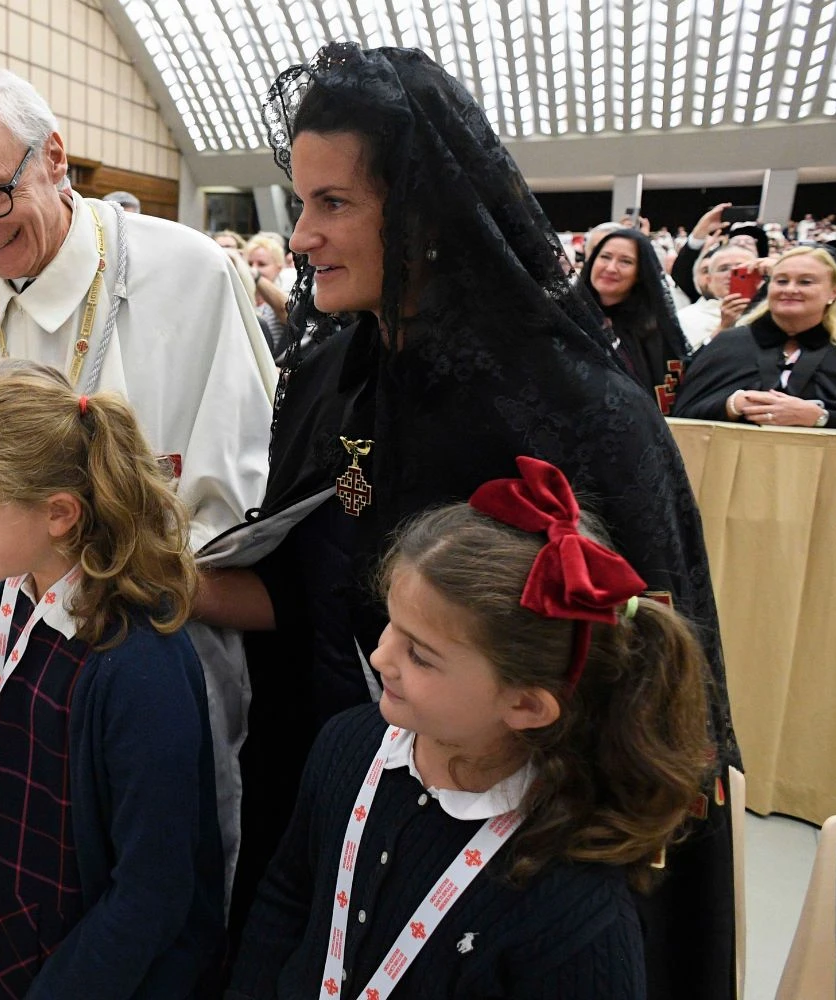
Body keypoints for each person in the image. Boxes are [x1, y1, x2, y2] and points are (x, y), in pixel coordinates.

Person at [198, 44, 736, 999]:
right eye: (300, 202)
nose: (304, 235)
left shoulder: (572, 405)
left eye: (335, 204)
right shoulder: (330, 373)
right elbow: (305, 595)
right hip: (350, 794)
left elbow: (639, 667)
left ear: (423, 216)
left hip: (514, 854)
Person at [0, 63, 276, 1000]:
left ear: (55, 161)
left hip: (151, 644)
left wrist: (103, 571)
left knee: (133, 888)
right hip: (18, 627)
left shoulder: (187, 273)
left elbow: (234, 505)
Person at [225, 457, 710, 1000]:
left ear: (526, 706)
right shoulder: (347, 746)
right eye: (391, 624)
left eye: (421, 656)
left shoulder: (574, 914)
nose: (382, 656)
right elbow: (288, 898)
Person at [0, 359, 225, 999]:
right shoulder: (6, 594)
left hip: (104, 969)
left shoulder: (138, 664)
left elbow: (153, 891)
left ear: (58, 514)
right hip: (22, 929)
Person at [673, 246, 836, 428]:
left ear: (834, 291)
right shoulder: (728, 343)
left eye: (805, 282)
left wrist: (821, 417)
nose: (791, 289)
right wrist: (732, 406)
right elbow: (682, 415)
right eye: (781, 281)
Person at [578, 228, 689, 412]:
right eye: (605, 257)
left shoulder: (654, 331)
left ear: (640, 273)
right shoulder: (564, 316)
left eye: (625, 261)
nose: (611, 268)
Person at [675, 244, 758, 353]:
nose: (731, 274)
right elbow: (691, 365)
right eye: (723, 269)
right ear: (709, 280)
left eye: (741, 268)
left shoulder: (773, 310)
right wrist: (723, 327)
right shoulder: (685, 318)